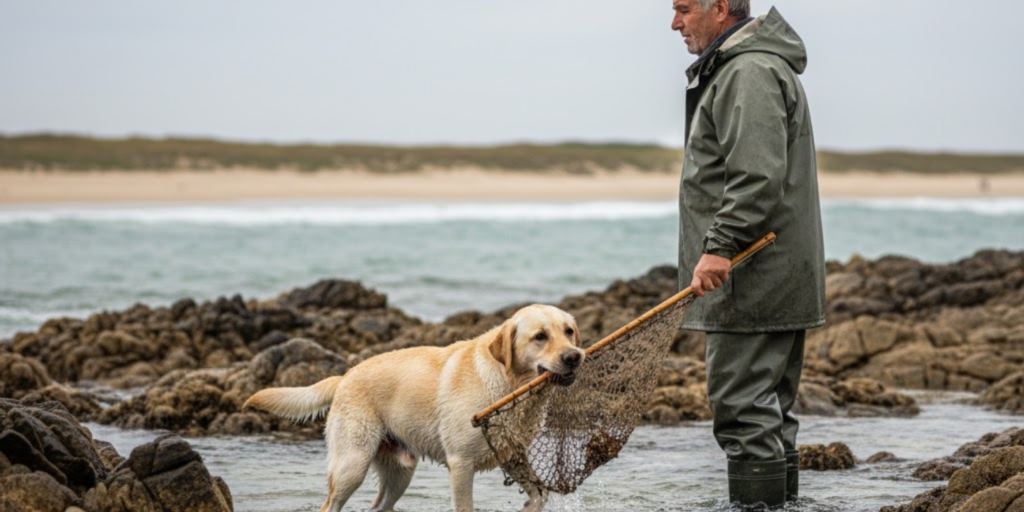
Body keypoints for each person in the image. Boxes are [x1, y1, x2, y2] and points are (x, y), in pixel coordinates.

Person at [671, 0, 825, 507]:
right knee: (771, 412)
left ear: (720, 9)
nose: (675, 24)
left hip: (753, 276)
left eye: (683, 9)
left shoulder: (749, 70)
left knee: (743, 409)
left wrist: (719, 248)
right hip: (774, 273)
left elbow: (756, 177)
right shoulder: (751, 65)